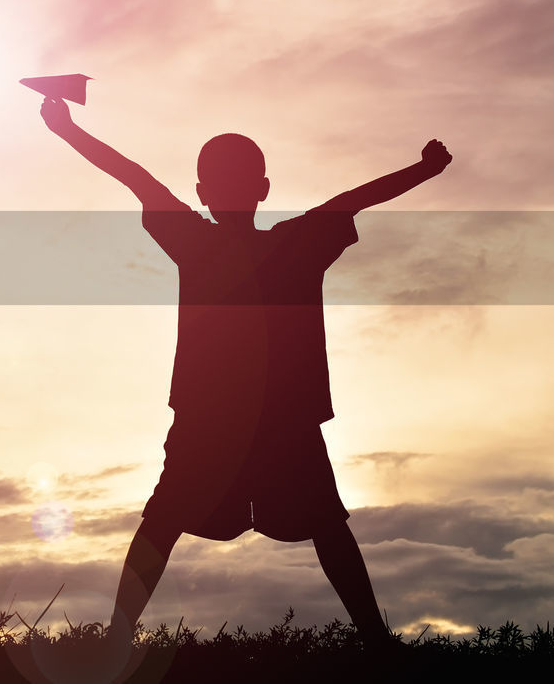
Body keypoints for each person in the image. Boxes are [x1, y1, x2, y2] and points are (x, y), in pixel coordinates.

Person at [38, 96, 452, 651]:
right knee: (322, 527)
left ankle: (116, 638)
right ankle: (375, 642)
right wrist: (423, 170)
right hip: (272, 415)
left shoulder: (203, 243)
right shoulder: (296, 244)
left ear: (205, 193)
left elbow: (136, 178)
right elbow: (356, 198)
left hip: (229, 415)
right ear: (262, 190)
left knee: (165, 522)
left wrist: (68, 129)